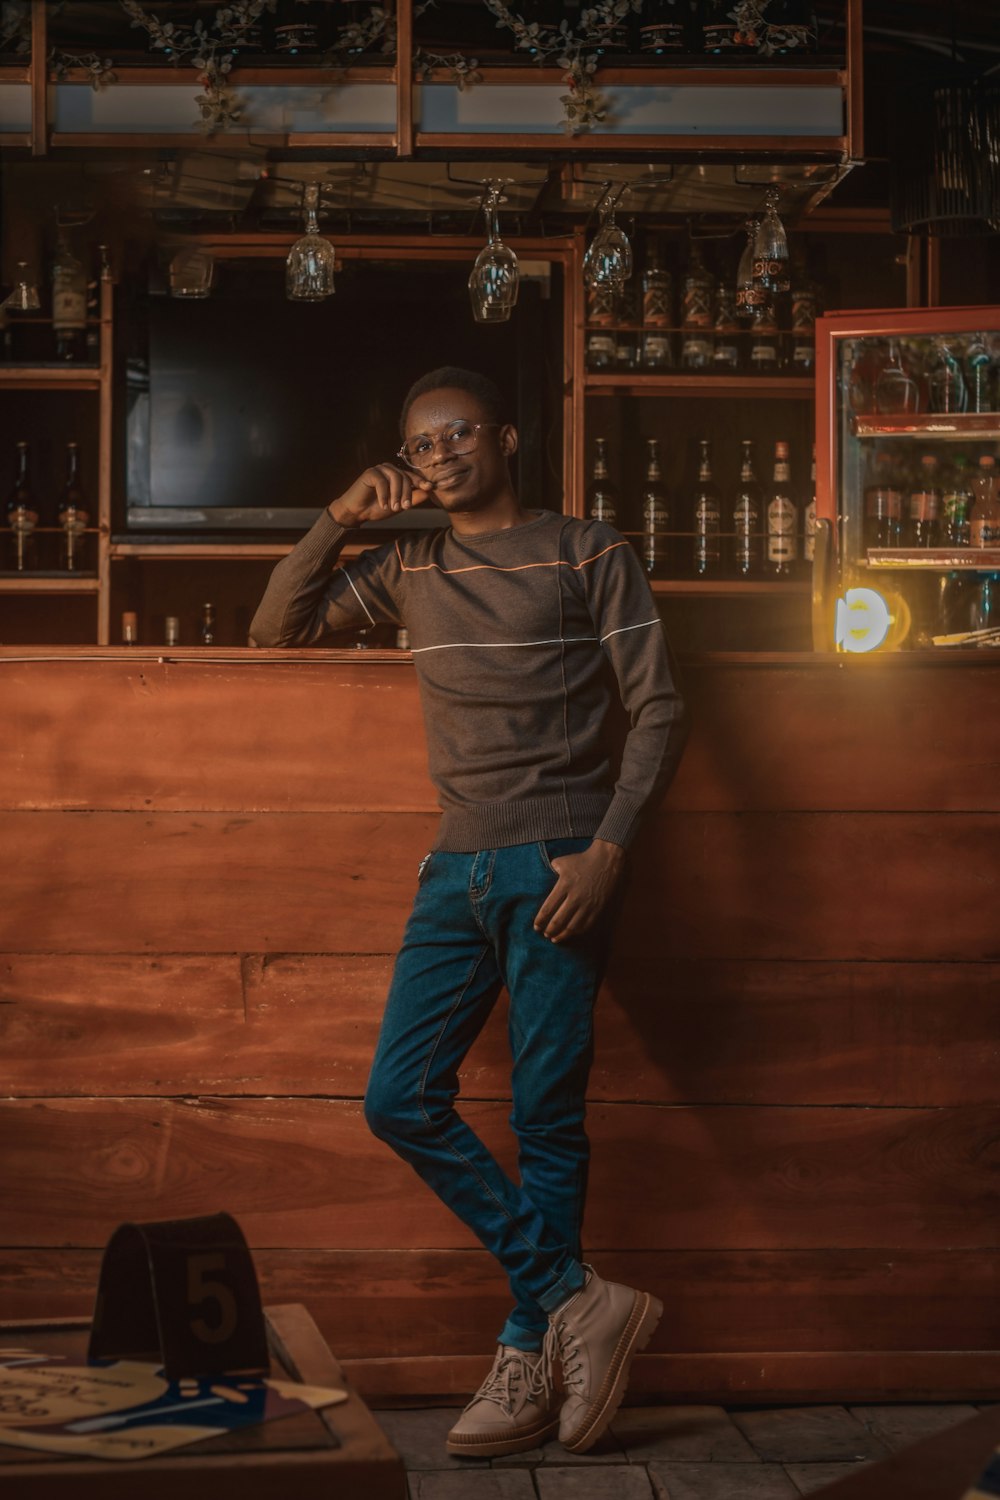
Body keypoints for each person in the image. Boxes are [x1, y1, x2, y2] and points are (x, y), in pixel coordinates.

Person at [249, 366, 688, 1459]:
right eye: (417, 443)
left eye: (455, 435)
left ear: (503, 438)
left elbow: (661, 708)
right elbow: (274, 629)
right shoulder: (408, 563)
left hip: (556, 861)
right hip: (453, 867)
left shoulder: (589, 549)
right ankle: (574, 1295)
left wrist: (608, 854)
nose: (436, 453)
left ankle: (527, 1351)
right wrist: (337, 518)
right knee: (399, 1099)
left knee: (546, 1117)